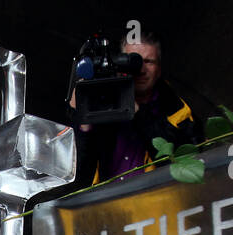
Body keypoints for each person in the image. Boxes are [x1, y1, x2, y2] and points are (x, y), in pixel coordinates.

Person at [75, 30, 199, 184]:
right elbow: (79, 173)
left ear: (159, 69)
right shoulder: (103, 103)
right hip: (107, 203)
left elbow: (182, 165)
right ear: (118, 63)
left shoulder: (177, 110)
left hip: (157, 203)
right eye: (132, 61)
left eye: (148, 62)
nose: (140, 69)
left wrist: (136, 111)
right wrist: (84, 121)